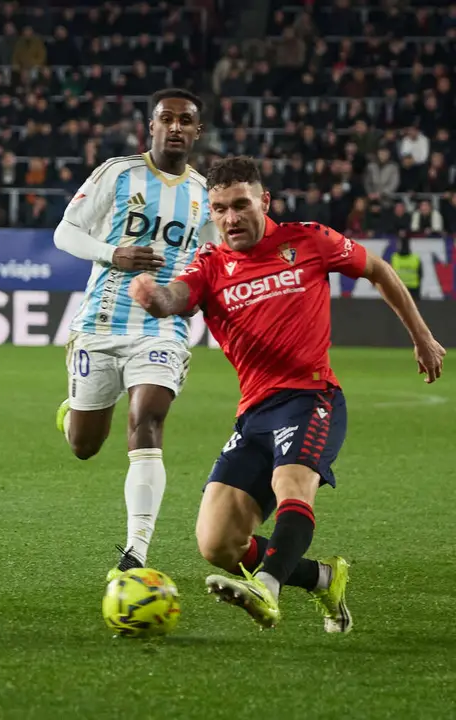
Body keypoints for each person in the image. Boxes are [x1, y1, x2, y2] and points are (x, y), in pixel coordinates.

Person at [129, 156, 445, 632]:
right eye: (219, 209)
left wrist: (422, 336)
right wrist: (157, 299)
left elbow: (378, 269)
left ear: (265, 201)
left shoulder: (308, 239)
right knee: (217, 543)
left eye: (241, 205)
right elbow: (179, 297)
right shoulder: (211, 264)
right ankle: (321, 577)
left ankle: (268, 588)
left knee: (292, 486)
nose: (231, 218)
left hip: (311, 397)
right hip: (254, 412)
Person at [51, 88, 216, 579]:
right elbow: (65, 232)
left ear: (197, 131)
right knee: (85, 444)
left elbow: (212, 262)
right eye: (167, 118)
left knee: (148, 418)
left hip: (162, 328)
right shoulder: (118, 174)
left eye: (185, 120)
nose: (176, 127)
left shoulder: (206, 194)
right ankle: (72, 413)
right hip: (101, 324)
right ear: (151, 126)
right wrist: (112, 253)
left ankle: (136, 551)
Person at [390, 237, 422, 303]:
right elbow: (421, 274)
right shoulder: (415, 258)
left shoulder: (394, 258)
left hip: (398, 288)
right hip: (414, 289)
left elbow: (389, 274)